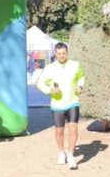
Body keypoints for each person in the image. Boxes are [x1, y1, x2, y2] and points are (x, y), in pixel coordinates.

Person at [36, 42, 85, 170]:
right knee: (59, 131)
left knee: (73, 129)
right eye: (59, 54)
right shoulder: (49, 68)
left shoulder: (75, 65)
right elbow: (40, 83)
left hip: (72, 101)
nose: (62, 56)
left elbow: (81, 77)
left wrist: (80, 86)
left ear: (67, 53)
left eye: (64, 53)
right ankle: (61, 152)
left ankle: (71, 155)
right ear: (55, 54)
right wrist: (50, 90)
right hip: (57, 104)